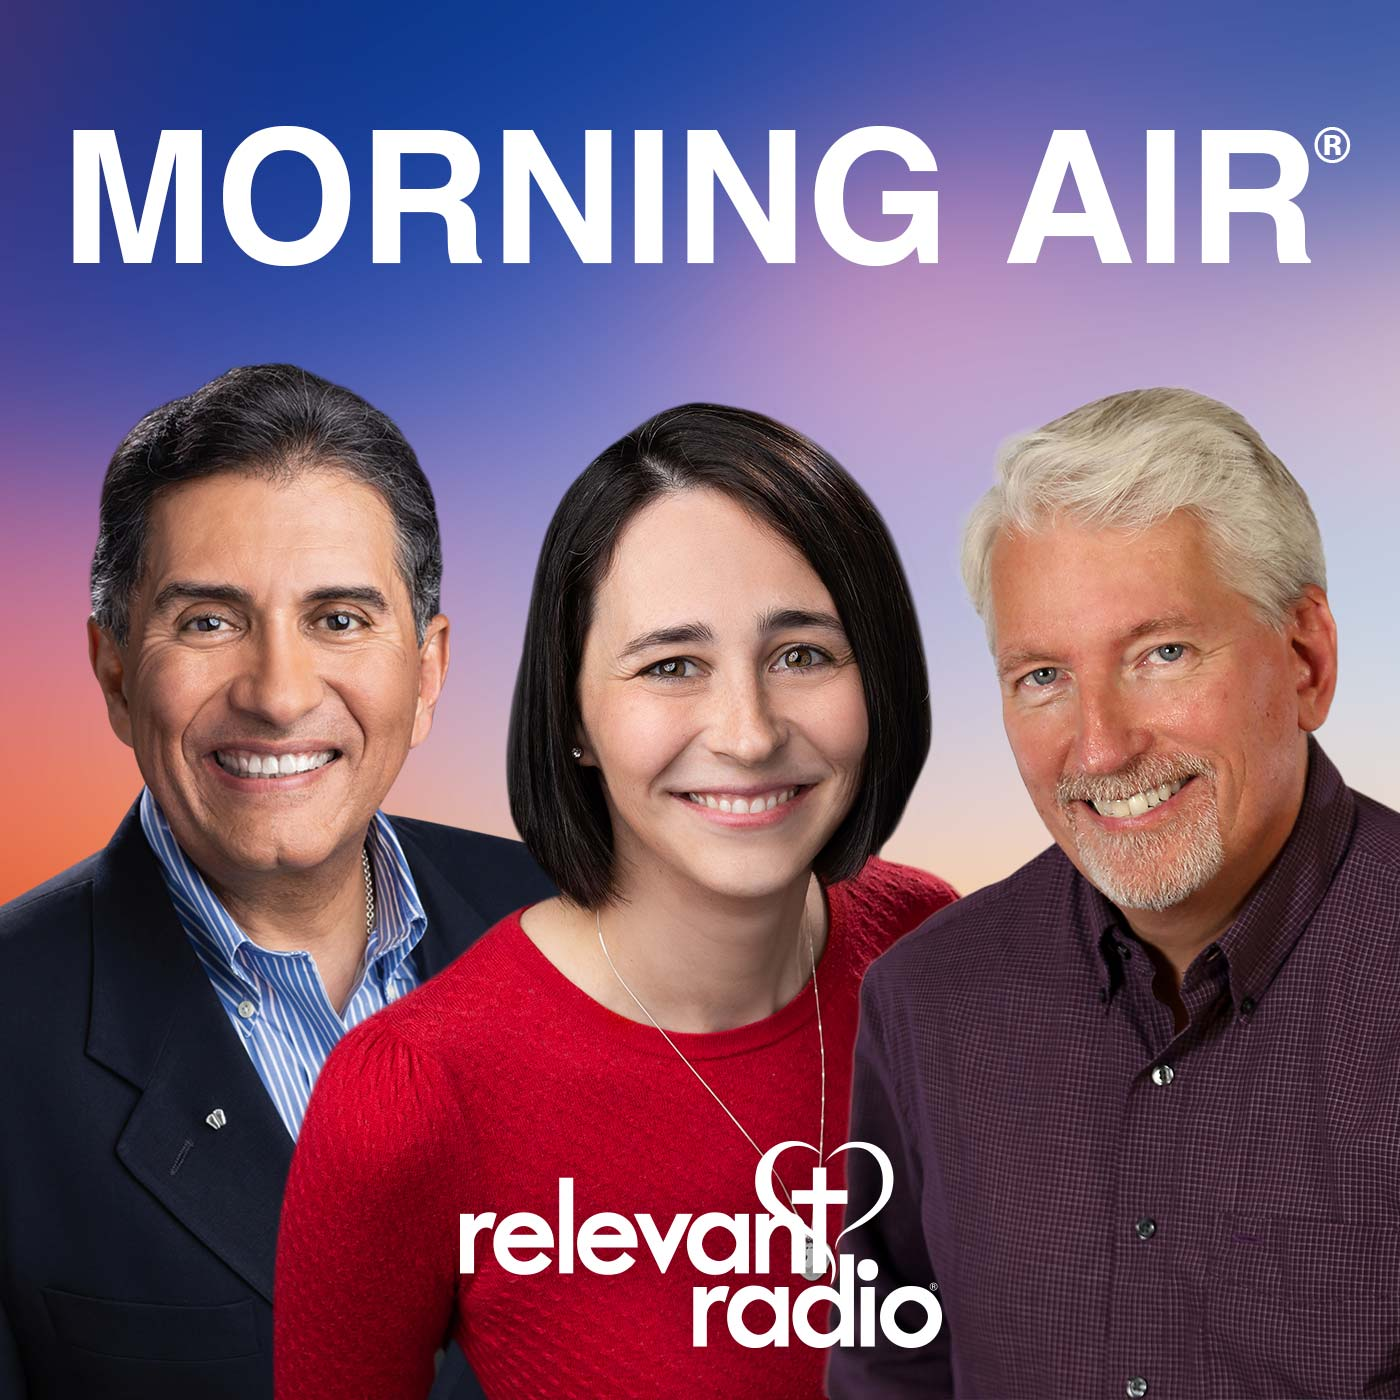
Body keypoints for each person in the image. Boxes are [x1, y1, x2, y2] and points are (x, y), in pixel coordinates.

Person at [273, 403, 957, 1399]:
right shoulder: (409, 1096)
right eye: (670, 664)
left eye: (803, 652)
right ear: (574, 712)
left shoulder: (926, 947)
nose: (747, 731)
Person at [829, 387, 1400, 1400]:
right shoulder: (924, 1000)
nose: (1098, 745)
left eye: (1160, 652)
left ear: (1305, 658)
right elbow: (888, 1372)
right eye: (1041, 674)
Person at [0, 365, 554, 1400]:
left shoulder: (585, 928)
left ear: (428, 669)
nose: (279, 692)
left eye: (339, 619)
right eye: (209, 620)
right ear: (114, 669)